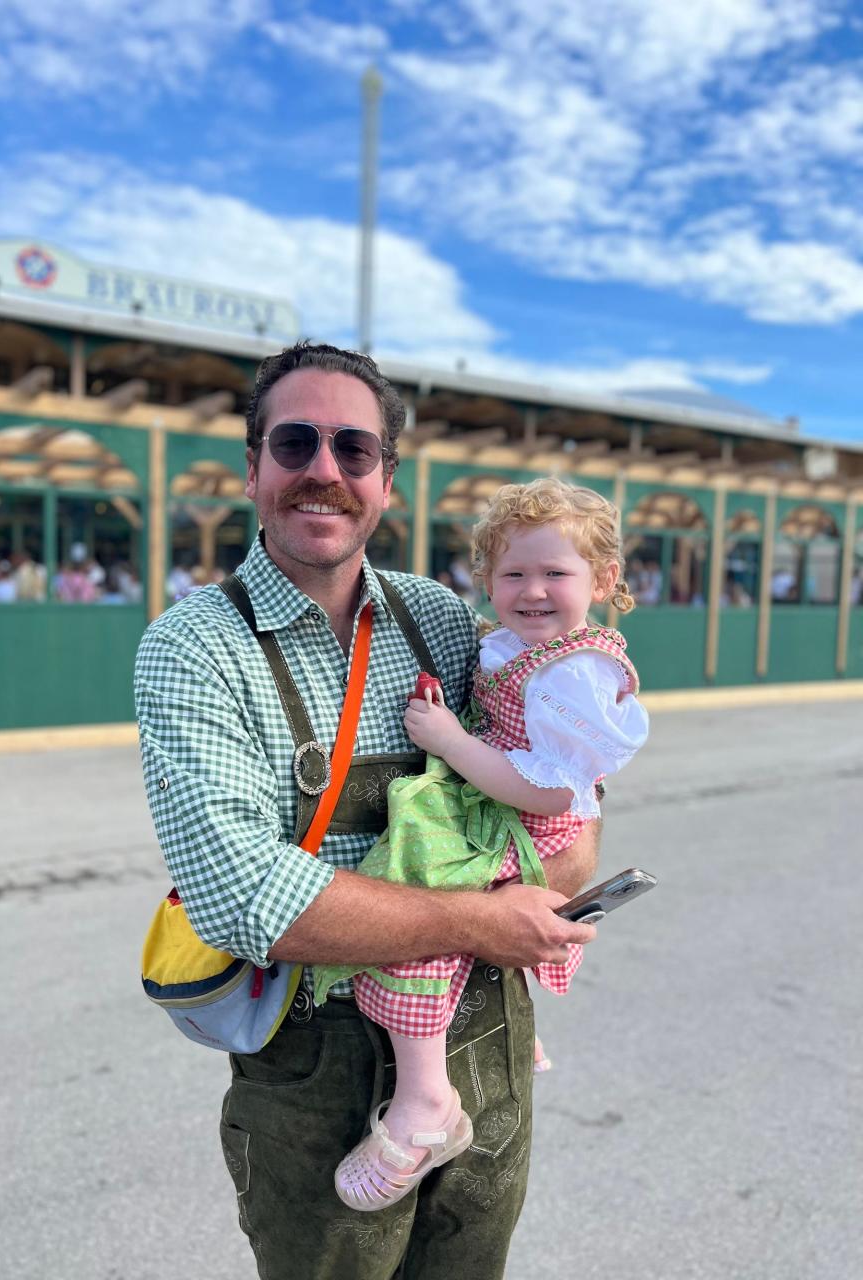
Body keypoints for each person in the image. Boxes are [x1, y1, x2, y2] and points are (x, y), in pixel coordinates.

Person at [135, 342, 599, 1280]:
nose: (323, 471)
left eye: (354, 449)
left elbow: (561, 805)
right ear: (254, 465)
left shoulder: (437, 617)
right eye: (295, 442)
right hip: (317, 1065)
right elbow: (243, 897)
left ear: (386, 476)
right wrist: (481, 918)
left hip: (487, 1038)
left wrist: (566, 815)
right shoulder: (194, 645)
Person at [314, 477, 649, 1211]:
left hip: (527, 818)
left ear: (605, 580)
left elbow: (551, 791)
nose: (533, 590)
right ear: (486, 579)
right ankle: (493, 1026)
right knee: (437, 896)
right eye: (513, 574)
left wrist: (450, 740)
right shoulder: (522, 646)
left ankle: (427, 1104)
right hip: (495, 797)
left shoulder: (580, 674)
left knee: (427, 908)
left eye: (556, 573)